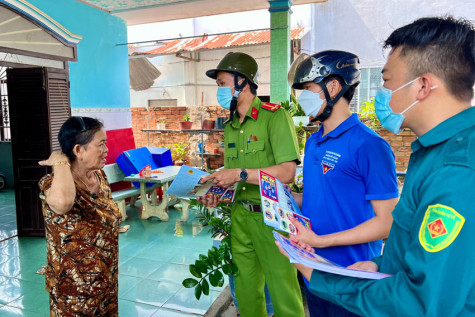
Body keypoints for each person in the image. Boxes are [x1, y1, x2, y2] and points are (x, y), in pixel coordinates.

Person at [277, 16, 475, 316]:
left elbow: (422, 302)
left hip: (356, 285)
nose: (381, 93)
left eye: (386, 82)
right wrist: (381, 264)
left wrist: (318, 273)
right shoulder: (430, 153)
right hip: (357, 277)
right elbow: (415, 247)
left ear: (422, 85)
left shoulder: (457, 171)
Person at [286, 49, 399, 316]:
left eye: (309, 88)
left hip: (354, 275)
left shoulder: (370, 146)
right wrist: (284, 197)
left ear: (334, 86)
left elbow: (387, 223)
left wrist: (322, 240)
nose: (303, 97)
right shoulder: (313, 142)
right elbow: (319, 199)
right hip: (314, 269)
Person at [198, 52, 305, 317]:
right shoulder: (232, 125)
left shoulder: (275, 117)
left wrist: (238, 174)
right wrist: (215, 190)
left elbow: (287, 171)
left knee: (284, 292)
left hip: (272, 218)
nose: (220, 91)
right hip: (240, 215)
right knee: (245, 291)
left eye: (223, 83)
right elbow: (236, 174)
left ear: (242, 81)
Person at [38, 116, 121, 316]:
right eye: (100, 144)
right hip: (73, 292)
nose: (106, 149)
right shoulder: (51, 184)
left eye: (106, 143)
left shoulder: (99, 176)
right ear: (78, 150)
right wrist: (59, 160)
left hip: (106, 282)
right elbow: (64, 203)